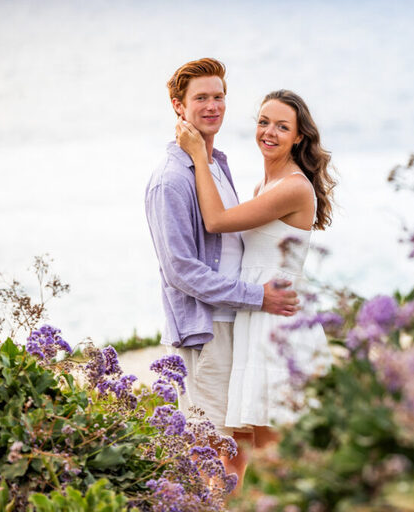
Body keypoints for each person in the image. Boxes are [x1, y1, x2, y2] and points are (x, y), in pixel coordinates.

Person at [145, 58, 299, 483]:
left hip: (236, 325)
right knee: (214, 453)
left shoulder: (215, 164)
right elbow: (180, 271)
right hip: (208, 329)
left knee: (239, 448)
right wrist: (259, 296)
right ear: (179, 106)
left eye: (218, 97)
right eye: (201, 98)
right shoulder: (171, 179)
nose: (212, 106)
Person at [176, 88, 335, 476]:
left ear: (299, 136)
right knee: (253, 444)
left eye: (283, 126)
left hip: (277, 318)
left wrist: (199, 154)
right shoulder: (264, 186)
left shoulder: (294, 187)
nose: (270, 132)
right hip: (258, 312)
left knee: (272, 450)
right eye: (264, 122)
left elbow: (215, 221)